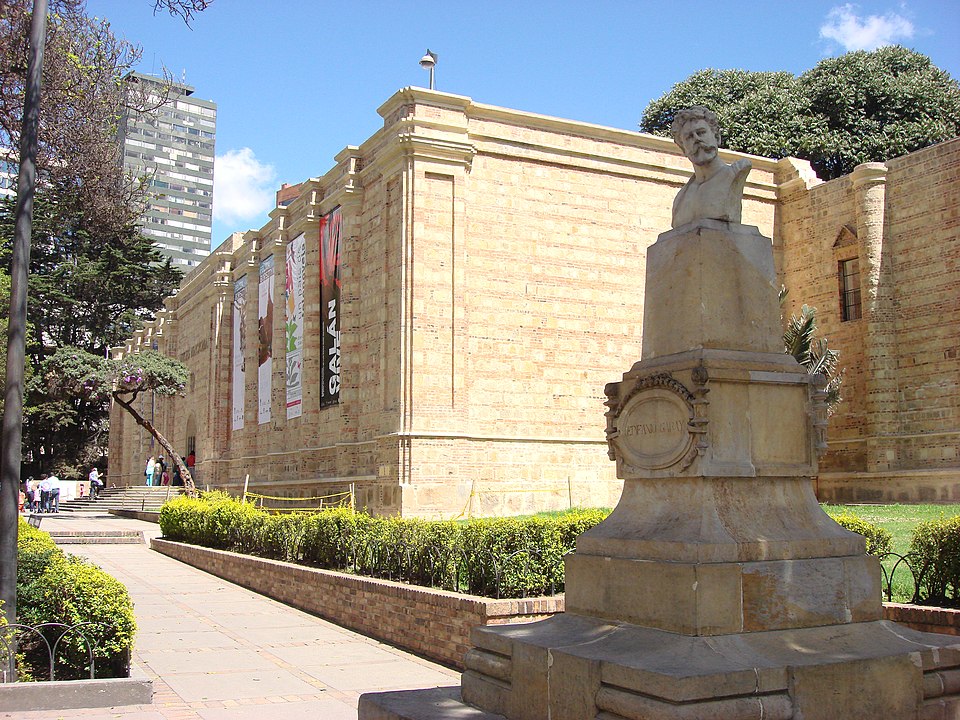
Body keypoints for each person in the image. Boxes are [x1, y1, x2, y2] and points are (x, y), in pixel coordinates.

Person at [669, 106, 752, 229]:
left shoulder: (736, 173)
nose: (697, 139)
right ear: (683, 149)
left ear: (717, 137)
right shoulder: (680, 199)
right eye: (689, 137)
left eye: (701, 132)